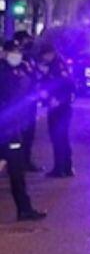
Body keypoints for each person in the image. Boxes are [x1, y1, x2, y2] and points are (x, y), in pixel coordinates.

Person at [0, 41, 46, 221]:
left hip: (12, 128)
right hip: (6, 128)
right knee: (16, 170)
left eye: (17, 52)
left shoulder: (20, 70)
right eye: (12, 52)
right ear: (4, 52)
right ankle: (24, 209)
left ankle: (25, 209)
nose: (16, 55)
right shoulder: (4, 73)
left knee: (17, 171)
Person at [40, 43, 75, 177]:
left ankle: (60, 168)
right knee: (62, 138)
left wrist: (57, 100)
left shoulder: (57, 67)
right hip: (60, 106)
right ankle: (66, 167)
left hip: (59, 107)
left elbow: (66, 86)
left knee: (58, 138)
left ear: (50, 54)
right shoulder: (58, 65)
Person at [13, 31, 42, 171]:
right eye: (26, 40)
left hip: (31, 101)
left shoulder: (29, 58)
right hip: (22, 102)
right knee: (20, 133)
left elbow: (34, 75)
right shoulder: (17, 59)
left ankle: (26, 161)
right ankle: (18, 162)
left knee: (29, 132)